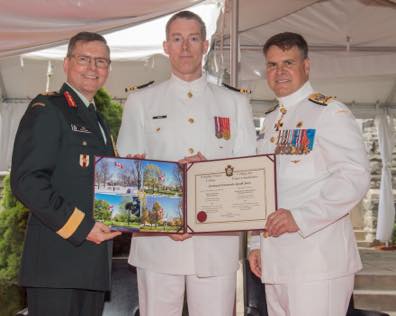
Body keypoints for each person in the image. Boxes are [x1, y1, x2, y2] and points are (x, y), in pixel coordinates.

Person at [117, 10, 256, 316]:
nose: (185, 47)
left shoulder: (234, 102)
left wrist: (211, 170)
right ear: (165, 46)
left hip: (214, 242)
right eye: (177, 39)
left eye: (193, 39)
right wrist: (168, 220)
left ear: (205, 45)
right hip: (157, 242)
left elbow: (248, 174)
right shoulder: (141, 101)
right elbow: (128, 175)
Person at [248, 32, 370, 316]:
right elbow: (262, 187)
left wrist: (300, 217)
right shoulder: (270, 121)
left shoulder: (329, 112)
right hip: (276, 261)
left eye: (288, 63)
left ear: (307, 66)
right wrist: (256, 244)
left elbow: (354, 176)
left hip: (317, 260)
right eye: (272, 64)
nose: (279, 72)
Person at [11, 32, 121, 316]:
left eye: (101, 61)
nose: (93, 68)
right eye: (84, 59)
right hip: (56, 266)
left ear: (108, 69)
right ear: (67, 63)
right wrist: (82, 228)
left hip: (92, 267)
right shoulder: (48, 109)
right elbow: (27, 181)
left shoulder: (98, 120)